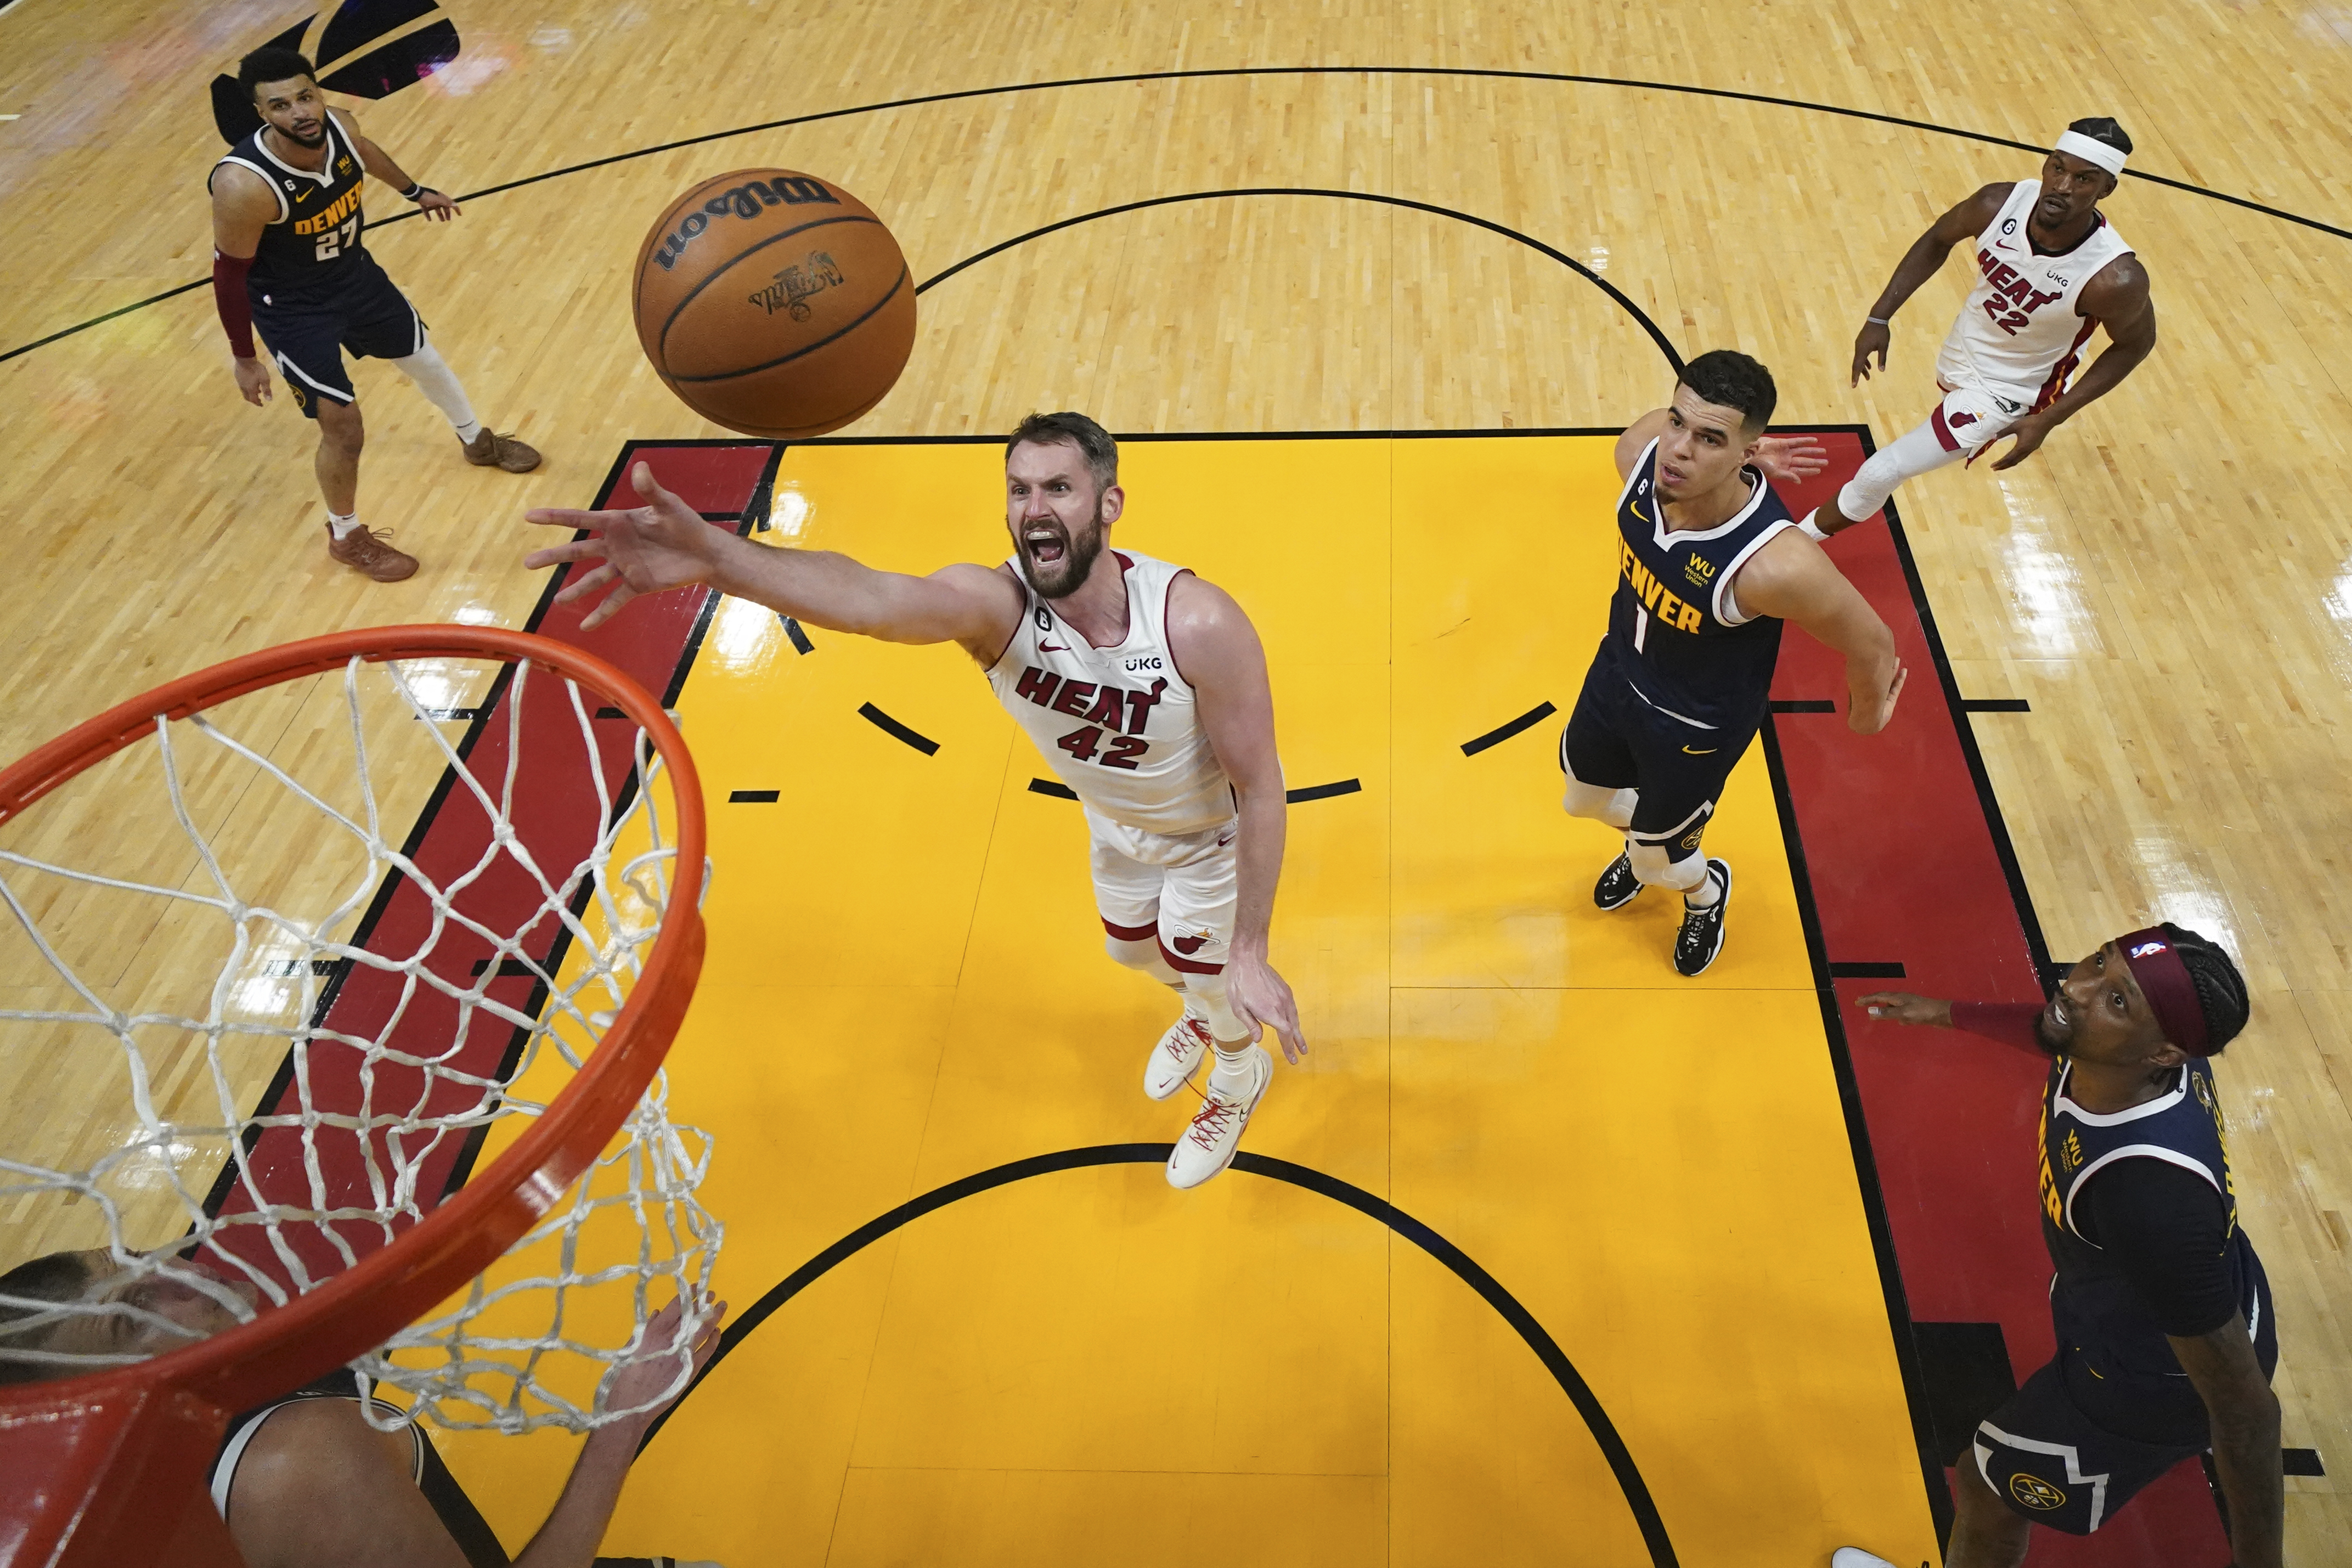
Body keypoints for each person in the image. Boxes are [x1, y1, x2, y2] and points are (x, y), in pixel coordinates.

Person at [523, 412, 1308, 1189]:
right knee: (1132, 951)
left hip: (1212, 842)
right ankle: (1202, 1013)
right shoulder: (995, 607)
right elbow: (870, 599)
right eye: (1019, 489)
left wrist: (1249, 949)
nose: (1034, 507)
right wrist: (719, 561)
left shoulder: (1196, 624)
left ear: (1108, 505)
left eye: (1060, 488)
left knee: (1204, 962)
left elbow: (1261, 785)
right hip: (1114, 825)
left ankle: (1237, 1072)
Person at [1834, 924, 2280, 1568]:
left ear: (2164, 1052)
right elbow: (2062, 1032)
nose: (2075, 984)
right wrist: (1950, 1013)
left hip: (2150, 1381)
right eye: (2100, 960)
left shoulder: (2147, 1197)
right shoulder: (2135, 1056)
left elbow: (2248, 1413)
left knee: (1987, 1486)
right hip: (2180, 1298)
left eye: (2118, 998)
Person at [0, 1246, 725, 1568]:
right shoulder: (295, 1456)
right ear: (105, 1397)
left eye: (136, 1256)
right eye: (132, 1314)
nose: (177, 1273)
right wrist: (626, 1412)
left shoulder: (175, 1449)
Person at [1566, 350, 1905, 975]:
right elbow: (1663, 433)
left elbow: (1873, 642)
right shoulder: (1641, 451)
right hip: (1616, 674)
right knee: (1580, 800)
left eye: (1710, 439)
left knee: (1654, 861)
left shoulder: (1776, 565)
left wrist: (1865, 718)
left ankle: (1702, 890)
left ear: (1745, 451)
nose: (1677, 450)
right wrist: (1732, 450)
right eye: (1678, 422)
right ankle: (1653, 840)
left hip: (1694, 727)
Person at [210, 47, 541, 584]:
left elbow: (365, 152)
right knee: (344, 428)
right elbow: (229, 276)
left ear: (319, 94)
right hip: (295, 310)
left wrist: (414, 191)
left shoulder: (340, 126)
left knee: (425, 357)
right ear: (261, 112)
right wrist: (244, 357)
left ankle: (477, 440)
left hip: (354, 276)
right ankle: (346, 536)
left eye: (306, 97)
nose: (300, 113)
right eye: (281, 105)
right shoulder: (244, 186)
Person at [1802, 118, 2154, 540]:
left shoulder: (2112, 278)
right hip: (1961, 350)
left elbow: (2135, 344)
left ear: (2105, 190)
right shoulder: (1997, 204)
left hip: (2009, 391)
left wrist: (2051, 418)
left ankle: (1787, 549)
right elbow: (1937, 239)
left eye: (2083, 179)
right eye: (2057, 168)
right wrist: (1879, 317)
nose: (2061, 187)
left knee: (1881, 471)